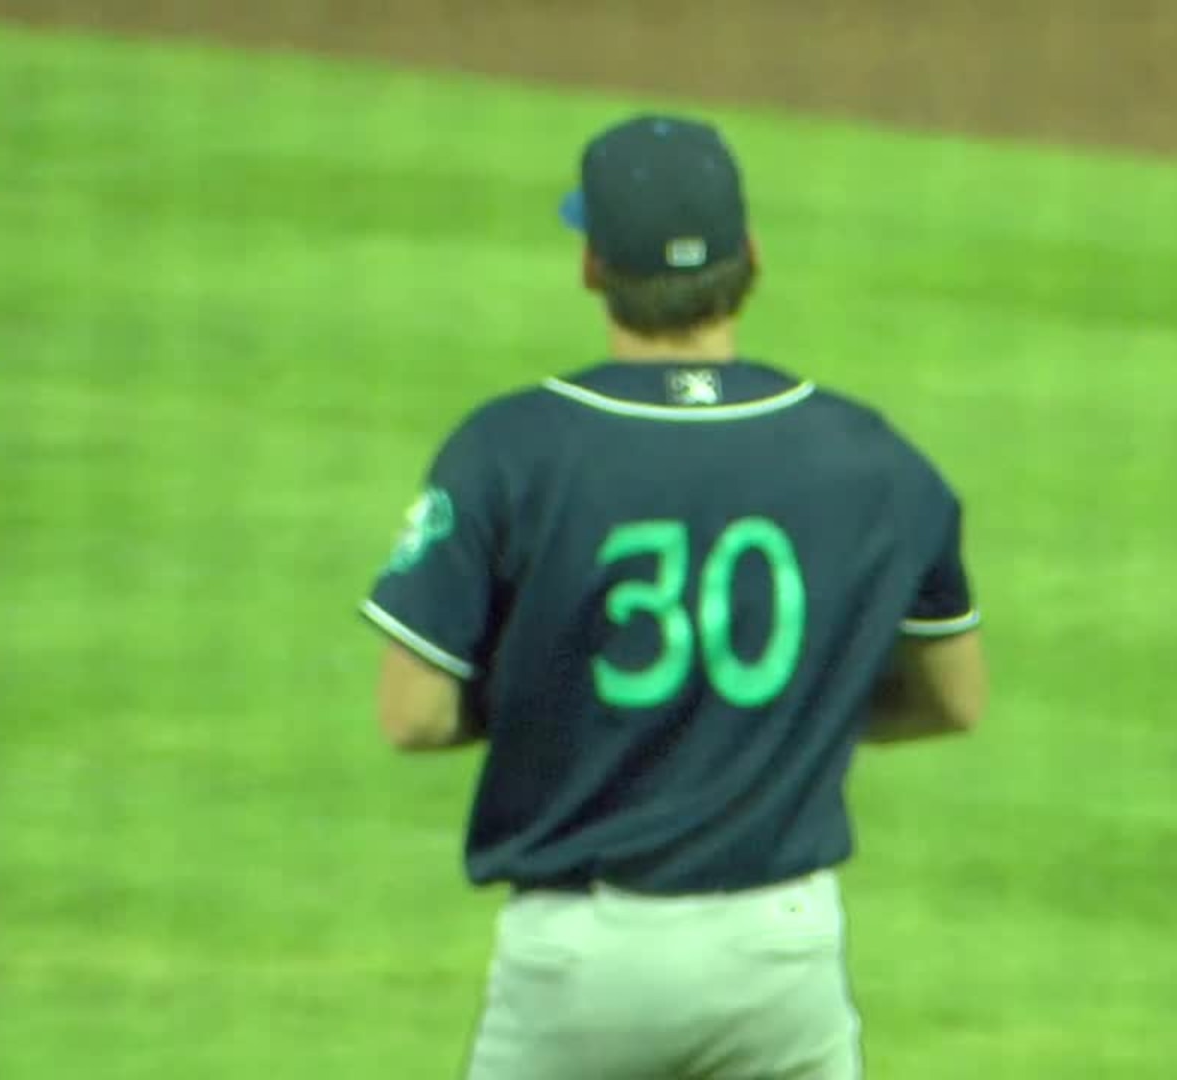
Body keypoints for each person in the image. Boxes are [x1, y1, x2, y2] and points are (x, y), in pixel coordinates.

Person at [358, 113, 988, 1080]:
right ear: (752, 258)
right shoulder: (872, 459)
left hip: (577, 967)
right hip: (782, 957)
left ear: (592, 268)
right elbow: (955, 699)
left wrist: (561, 701)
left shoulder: (511, 449)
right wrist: (778, 724)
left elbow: (413, 713)